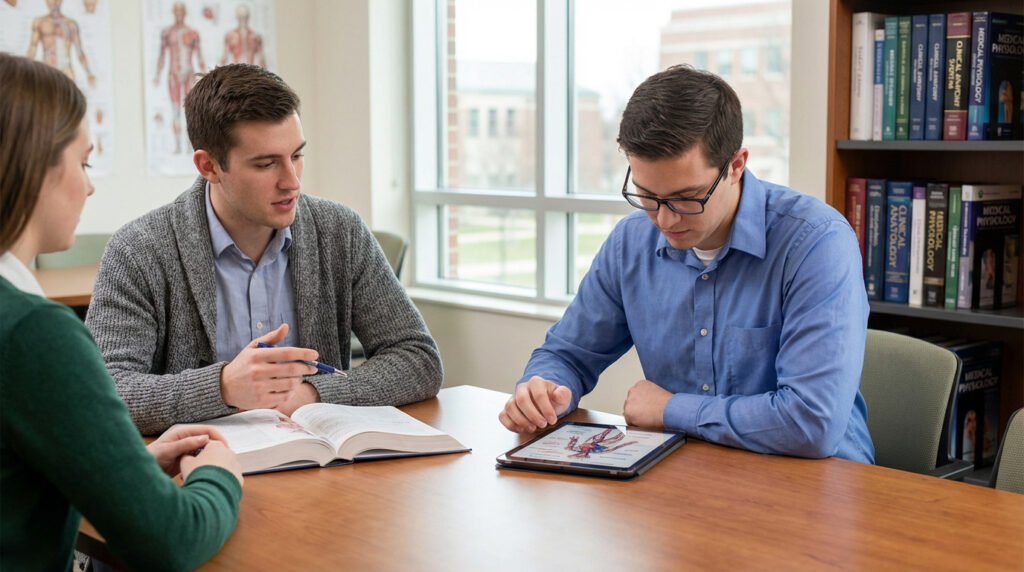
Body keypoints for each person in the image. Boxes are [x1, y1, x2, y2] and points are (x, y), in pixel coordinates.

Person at [498, 65, 874, 463]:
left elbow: (812, 424)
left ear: (736, 164)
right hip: (685, 476)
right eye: (647, 196)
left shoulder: (816, 243)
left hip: (814, 483)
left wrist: (669, 409)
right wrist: (545, 389)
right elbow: (568, 353)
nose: (664, 220)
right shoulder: (630, 243)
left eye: (686, 198)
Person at [86, 63, 443, 436]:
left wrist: (312, 393)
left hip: (318, 473)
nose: (291, 182)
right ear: (209, 165)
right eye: (266, 164)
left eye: (297, 156)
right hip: (197, 476)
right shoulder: (138, 250)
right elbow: (104, 392)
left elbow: (418, 359)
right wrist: (224, 387)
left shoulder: (341, 232)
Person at [0, 53, 243, 571]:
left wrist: (125, 467)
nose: (89, 186)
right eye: (84, 162)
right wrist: (219, 473)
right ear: (31, 165)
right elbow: (170, 541)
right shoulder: (34, 334)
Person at [153, 1, 205, 154]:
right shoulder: (167, 33)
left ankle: (191, 145)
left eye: (181, 11)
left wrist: (209, 76)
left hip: (188, 73)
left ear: (185, 13)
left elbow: (199, 56)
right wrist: (157, 75)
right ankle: (177, 144)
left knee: (190, 110)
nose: (178, 14)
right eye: (176, 11)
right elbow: (161, 55)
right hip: (173, 74)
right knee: (175, 110)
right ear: (173, 12)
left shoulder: (193, 33)